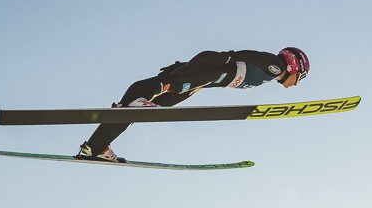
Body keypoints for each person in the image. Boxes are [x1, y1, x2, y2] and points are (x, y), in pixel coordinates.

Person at [76, 47, 310, 162]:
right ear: (294, 66)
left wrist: (185, 66)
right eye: (299, 77)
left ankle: (95, 147)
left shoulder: (272, 73)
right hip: (215, 68)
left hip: (209, 77)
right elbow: (246, 55)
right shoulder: (276, 66)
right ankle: (137, 101)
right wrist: (207, 62)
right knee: (171, 86)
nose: (296, 84)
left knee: (145, 107)